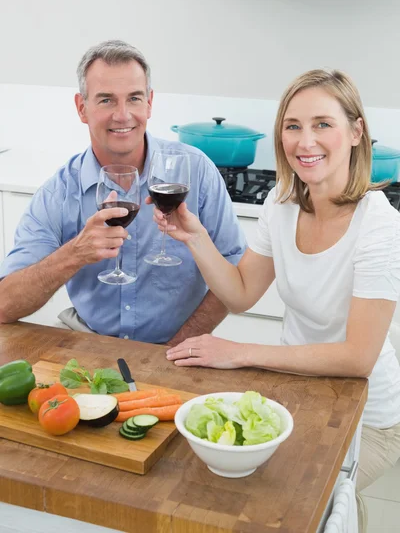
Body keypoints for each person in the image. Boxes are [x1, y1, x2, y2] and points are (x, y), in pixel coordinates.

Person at [157, 69, 400, 531]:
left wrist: (238, 354)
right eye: (293, 126)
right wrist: (195, 237)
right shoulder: (282, 202)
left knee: (300, 505)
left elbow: (358, 358)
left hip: (369, 419)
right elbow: (242, 292)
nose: (305, 141)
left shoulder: (380, 225)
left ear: (355, 131)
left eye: (322, 124)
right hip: (299, 393)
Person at [0, 40, 246, 345]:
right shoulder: (58, 192)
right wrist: (74, 254)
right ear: (82, 108)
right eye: (106, 100)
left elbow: (234, 265)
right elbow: (4, 306)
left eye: (134, 98)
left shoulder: (196, 171)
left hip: (181, 347)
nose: (122, 115)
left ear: (150, 103)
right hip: (89, 343)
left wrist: (175, 349)